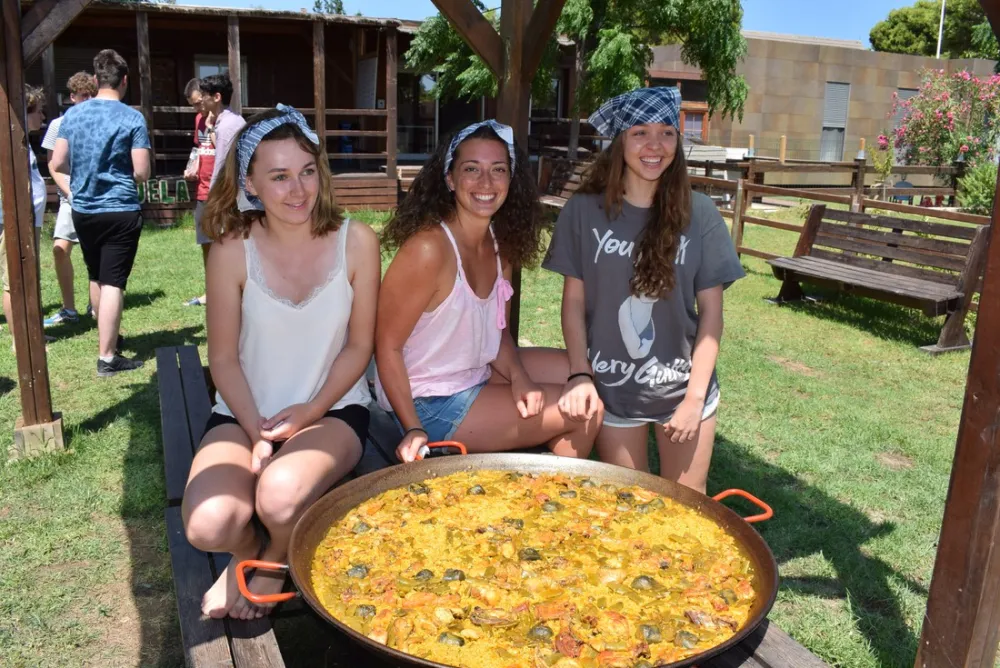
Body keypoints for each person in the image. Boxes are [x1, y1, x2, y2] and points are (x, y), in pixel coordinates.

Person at [182, 106, 379, 620]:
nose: (299, 190)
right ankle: (245, 549)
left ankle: (274, 556)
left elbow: (360, 347)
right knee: (208, 524)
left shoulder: (357, 241)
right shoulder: (230, 250)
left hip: (332, 411)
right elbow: (222, 358)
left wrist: (310, 411)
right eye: (279, 176)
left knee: (280, 497)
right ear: (249, 182)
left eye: (308, 172)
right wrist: (258, 434)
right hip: (243, 412)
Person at [543, 87, 745, 494]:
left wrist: (693, 399)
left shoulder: (700, 213)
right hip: (615, 390)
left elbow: (711, 317)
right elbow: (574, 302)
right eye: (640, 133)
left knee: (687, 508)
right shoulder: (583, 211)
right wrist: (580, 373)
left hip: (683, 387)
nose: (655, 145)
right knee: (630, 505)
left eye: (667, 133)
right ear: (620, 141)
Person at [376, 120, 602, 463]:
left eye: (498, 170)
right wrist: (412, 427)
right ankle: (545, 502)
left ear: (512, 180)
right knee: (586, 411)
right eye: (472, 169)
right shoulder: (428, 249)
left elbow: (497, 334)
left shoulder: (499, 244)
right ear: (450, 179)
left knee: (582, 378)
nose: (486, 182)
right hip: (425, 401)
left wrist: (520, 378)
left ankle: (530, 492)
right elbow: (386, 347)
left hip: (476, 371)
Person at [50, 49, 150, 376]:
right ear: (124, 81)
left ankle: (107, 337)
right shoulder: (132, 118)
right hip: (119, 207)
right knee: (113, 282)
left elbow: (59, 162)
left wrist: (80, 178)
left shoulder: (73, 116)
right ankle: (107, 356)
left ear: (95, 80)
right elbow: (142, 171)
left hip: (84, 208)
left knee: (96, 273)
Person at [41, 71, 97, 327]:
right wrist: (68, 192)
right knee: (59, 249)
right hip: (69, 197)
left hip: (95, 195)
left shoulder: (99, 122)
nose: (85, 101)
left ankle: (95, 303)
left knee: (93, 251)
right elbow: (53, 164)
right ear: (71, 97)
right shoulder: (58, 124)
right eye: (81, 96)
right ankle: (68, 308)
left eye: (90, 96)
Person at [1, 85, 49, 344]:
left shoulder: (21, 142)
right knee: (14, 280)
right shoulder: (6, 142)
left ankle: (31, 333)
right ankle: (20, 339)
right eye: (38, 112)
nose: (42, 117)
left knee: (28, 276)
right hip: (13, 220)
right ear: (24, 111)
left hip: (29, 220)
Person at [181, 77, 216, 307]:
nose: (196, 108)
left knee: (226, 243)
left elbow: (224, 147)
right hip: (202, 189)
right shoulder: (198, 119)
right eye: (193, 105)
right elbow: (198, 147)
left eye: (197, 103)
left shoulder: (225, 120)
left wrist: (213, 125)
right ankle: (211, 292)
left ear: (206, 96)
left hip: (221, 190)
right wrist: (191, 166)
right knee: (206, 243)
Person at [200, 73, 245, 191]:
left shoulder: (227, 126)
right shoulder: (234, 119)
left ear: (216, 97)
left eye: (204, 95)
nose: (201, 99)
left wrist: (213, 195)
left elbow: (221, 164)